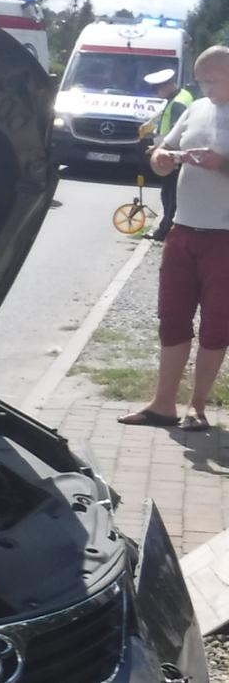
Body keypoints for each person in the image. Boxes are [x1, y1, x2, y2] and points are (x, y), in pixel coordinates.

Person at [120, 46, 229, 432]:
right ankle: (163, 404)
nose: (207, 87)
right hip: (183, 229)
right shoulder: (196, 109)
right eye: (202, 80)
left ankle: (197, 407)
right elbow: (161, 149)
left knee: (217, 325)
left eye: (213, 80)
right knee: (172, 319)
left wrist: (222, 164)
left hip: (224, 238)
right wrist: (162, 159)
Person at [140, 68, 196, 241]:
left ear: (168, 85)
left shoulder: (178, 103)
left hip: (172, 157)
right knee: (171, 194)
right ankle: (167, 229)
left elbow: (176, 132)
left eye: (157, 89)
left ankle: (164, 232)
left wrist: (158, 148)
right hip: (173, 155)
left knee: (169, 196)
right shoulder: (180, 97)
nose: (156, 92)